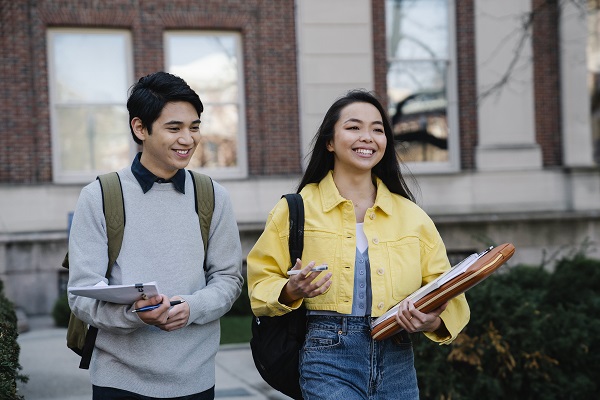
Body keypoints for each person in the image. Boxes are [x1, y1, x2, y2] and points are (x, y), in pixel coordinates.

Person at [246, 89, 469, 399]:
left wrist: (432, 320)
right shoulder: (295, 209)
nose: (368, 137)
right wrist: (291, 290)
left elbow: (449, 292)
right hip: (326, 357)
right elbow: (260, 282)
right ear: (330, 141)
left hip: (398, 359)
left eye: (377, 130)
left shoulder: (412, 216)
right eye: (353, 127)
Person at [68, 71, 243, 400]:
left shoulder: (213, 196)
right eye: (174, 128)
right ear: (140, 128)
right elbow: (81, 296)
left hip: (196, 379)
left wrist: (191, 307)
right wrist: (134, 313)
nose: (188, 139)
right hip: (119, 381)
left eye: (194, 127)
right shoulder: (99, 196)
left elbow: (229, 279)